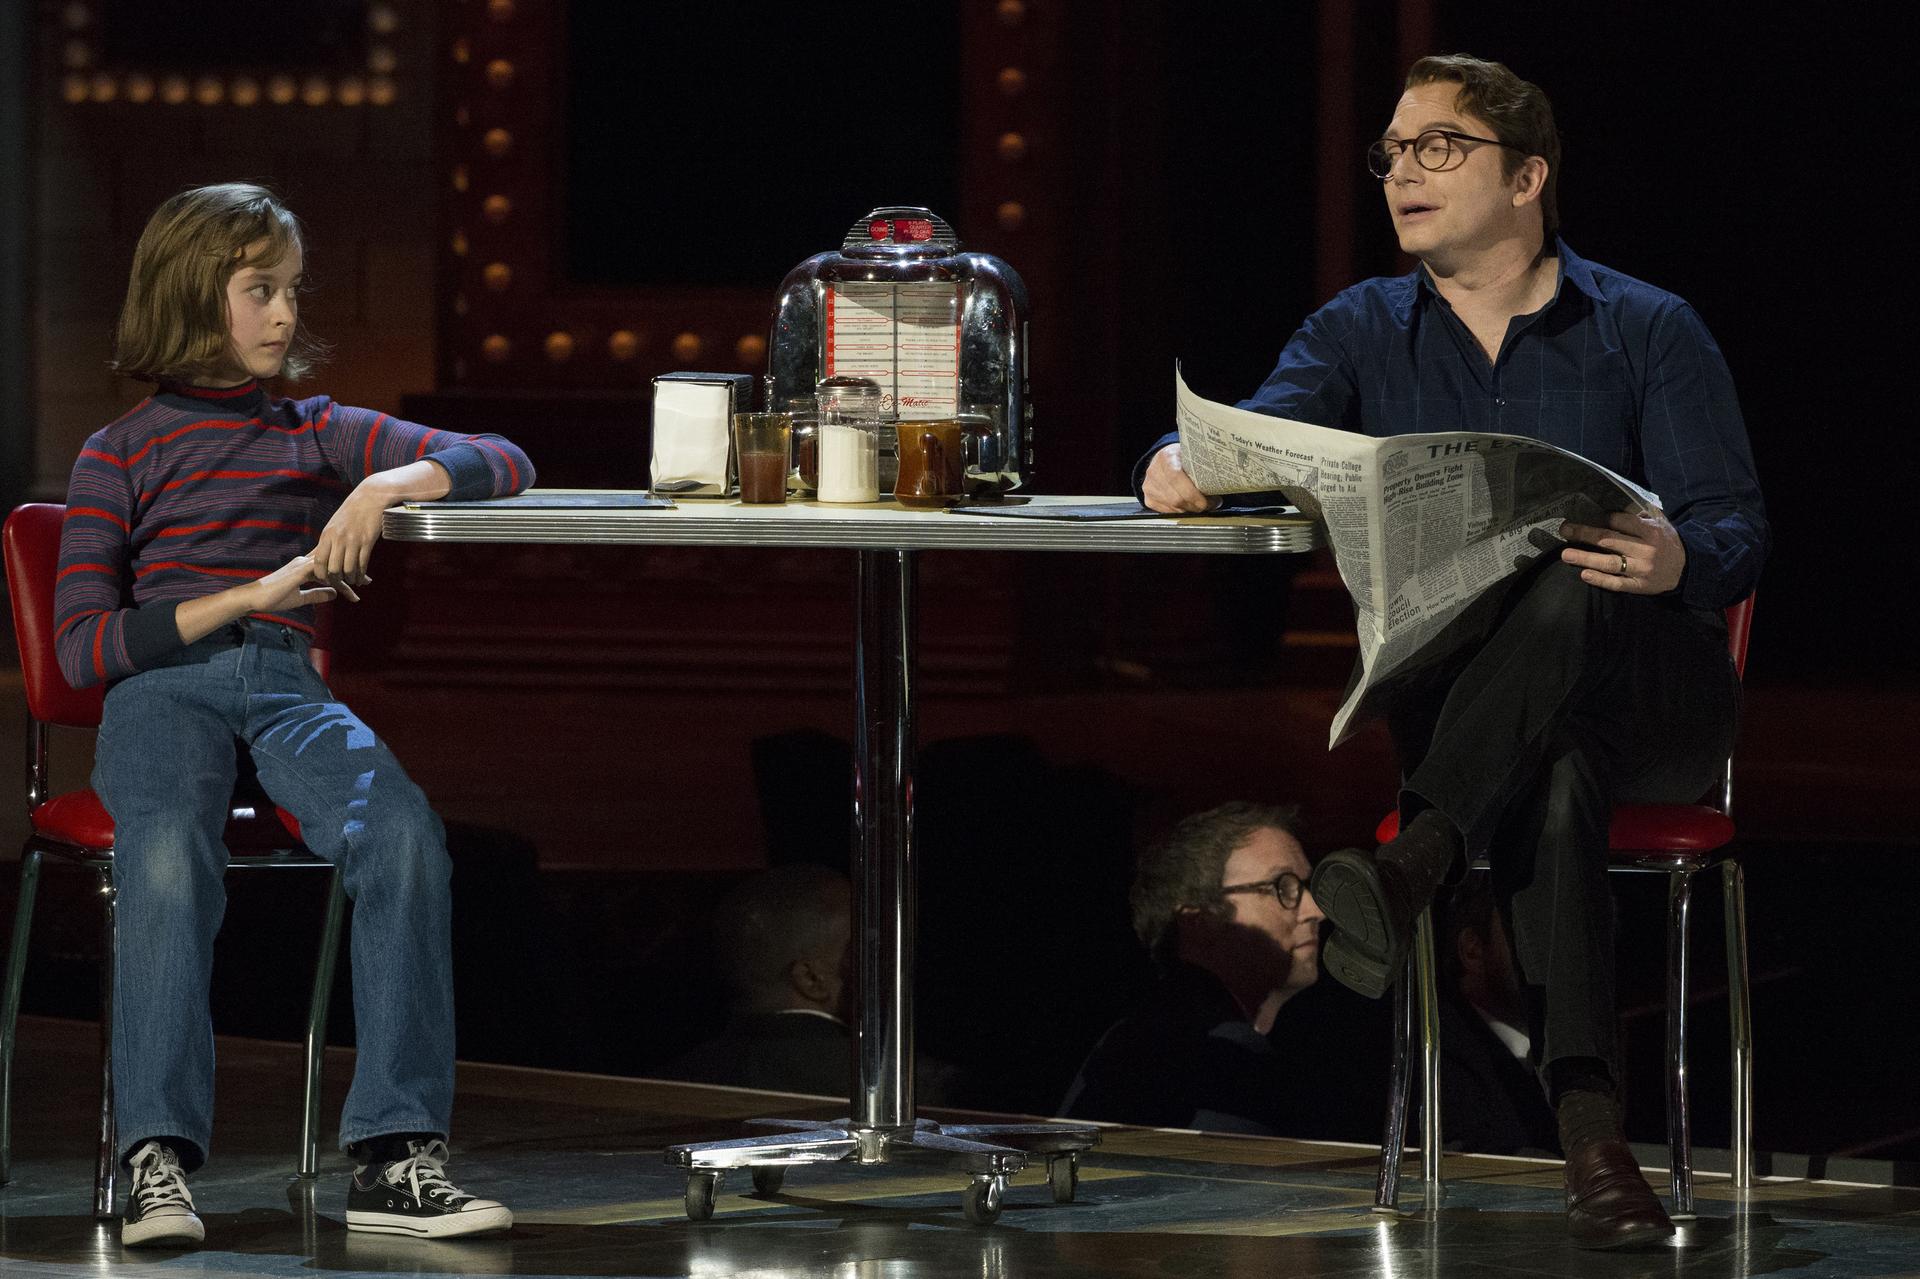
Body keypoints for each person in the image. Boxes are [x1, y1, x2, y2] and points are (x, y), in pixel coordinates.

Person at [1136, 55, 1765, 1248]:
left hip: (1659, 700)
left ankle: (1422, 850)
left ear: (1527, 176)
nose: (1403, 174)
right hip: (1494, 720)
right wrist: (1175, 468)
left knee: (1571, 581)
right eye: (1391, 153)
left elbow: (1738, 526)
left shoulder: (1646, 327)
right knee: (1555, 770)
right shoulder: (1359, 329)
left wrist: (1680, 559)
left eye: (1439, 148)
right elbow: (1254, 440)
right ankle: (1592, 1138)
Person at [53, 184, 535, 1248]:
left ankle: (395, 1156)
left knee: (405, 836)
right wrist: (246, 596)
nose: (284, 315)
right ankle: (158, 1161)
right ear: (192, 298)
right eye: (258, 291)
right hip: (164, 690)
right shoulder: (117, 452)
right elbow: (84, 646)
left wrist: (387, 484)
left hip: (281, 684)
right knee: (169, 856)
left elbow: (507, 459)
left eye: (289, 290)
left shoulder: (316, 433)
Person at [1060, 803, 1378, 1138]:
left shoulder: (1150, 1034)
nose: (1315, 910)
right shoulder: (1209, 1052)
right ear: (1199, 919)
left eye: (1306, 887)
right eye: (1283, 887)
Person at [659, 865, 963, 1104]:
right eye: (865, 948)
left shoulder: (668, 1086)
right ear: (812, 979)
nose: (886, 961)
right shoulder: (905, 1087)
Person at [1436, 877, 1559, 1157]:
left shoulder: (1576, 1039)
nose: (1555, 951)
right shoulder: (1436, 1055)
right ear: (1473, 950)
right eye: (1532, 930)